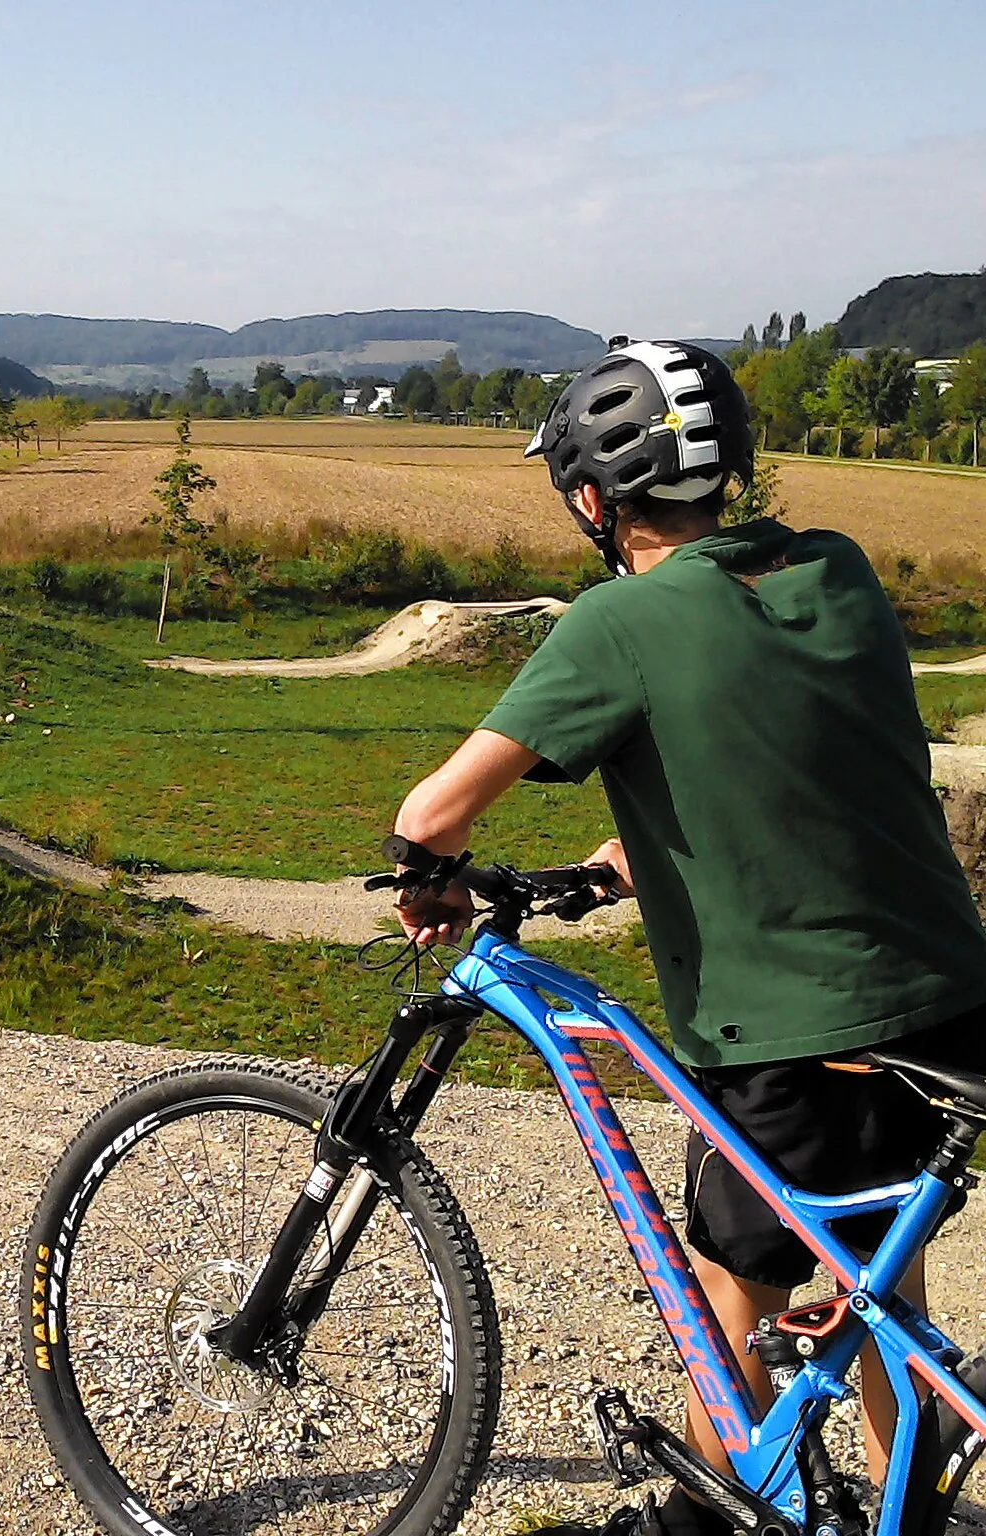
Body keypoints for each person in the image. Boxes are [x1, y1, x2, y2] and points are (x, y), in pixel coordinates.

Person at [388, 339, 986, 1536]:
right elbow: (800, 749)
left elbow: (431, 813)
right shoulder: (837, 569)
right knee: (885, 1297)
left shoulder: (620, 620)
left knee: (729, 1291)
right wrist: (633, 855)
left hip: (787, 1039)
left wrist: (432, 878)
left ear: (591, 498)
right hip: (944, 998)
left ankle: (700, 1519)